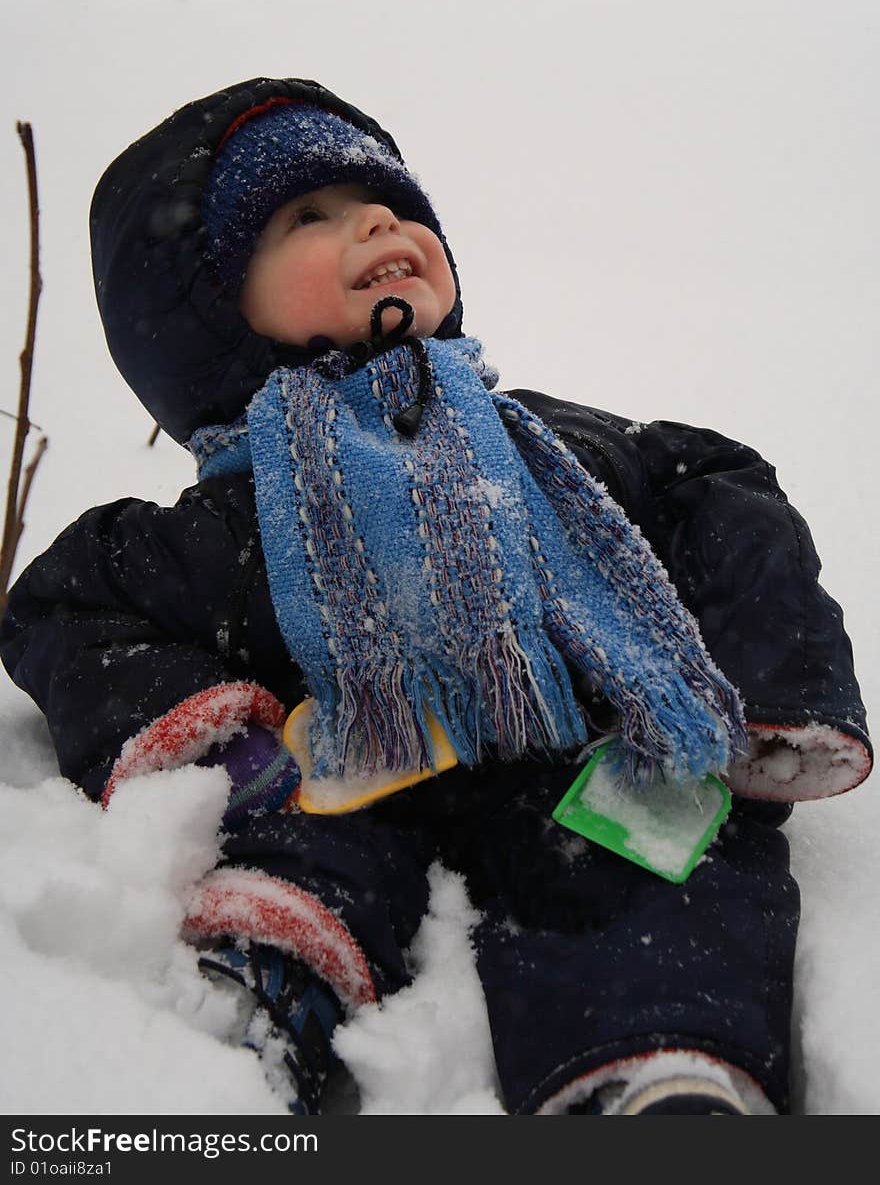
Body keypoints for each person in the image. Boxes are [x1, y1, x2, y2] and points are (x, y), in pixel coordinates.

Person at [0, 77, 870, 1116]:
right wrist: (230, 746)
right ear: (213, 314)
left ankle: (660, 1066)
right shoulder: (237, 522)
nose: (378, 220)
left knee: (662, 852)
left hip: (575, 753)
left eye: (396, 204)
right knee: (300, 845)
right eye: (306, 217)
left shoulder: (547, 447)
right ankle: (262, 1002)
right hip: (359, 769)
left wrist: (763, 689)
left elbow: (716, 488)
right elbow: (65, 610)